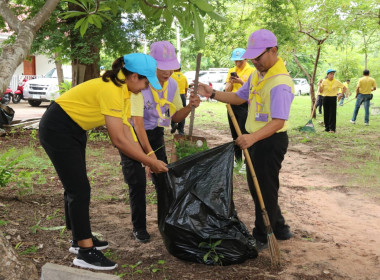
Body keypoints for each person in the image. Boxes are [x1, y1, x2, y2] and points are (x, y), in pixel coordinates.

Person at [39, 53, 168, 270]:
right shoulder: (111, 90)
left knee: (76, 187)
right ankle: (85, 252)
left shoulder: (123, 90)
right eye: (146, 82)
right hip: (57, 129)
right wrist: (149, 162)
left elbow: (127, 132)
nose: (146, 87)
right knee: (79, 190)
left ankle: (79, 239)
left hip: (74, 130)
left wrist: (149, 157)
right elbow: (118, 140)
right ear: (134, 76)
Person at [195, 29, 294, 251]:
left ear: (273, 51)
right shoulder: (258, 75)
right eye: (253, 57)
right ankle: (279, 227)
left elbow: (278, 121)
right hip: (257, 139)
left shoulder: (280, 82)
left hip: (269, 142)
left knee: (262, 188)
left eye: (259, 57)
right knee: (265, 186)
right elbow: (239, 98)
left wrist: (252, 138)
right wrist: (211, 93)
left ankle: (262, 234)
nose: (255, 62)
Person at [119, 41, 200, 243]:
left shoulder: (172, 84)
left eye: (171, 66)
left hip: (155, 133)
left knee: (163, 178)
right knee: (137, 181)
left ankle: (166, 221)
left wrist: (190, 106)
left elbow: (176, 117)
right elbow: (137, 124)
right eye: (162, 67)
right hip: (131, 135)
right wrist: (149, 156)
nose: (167, 72)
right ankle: (139, 227)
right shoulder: (141, 83)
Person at [225, 48, 254, 168]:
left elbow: (253, 89)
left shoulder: (252, 71)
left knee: (245, 133)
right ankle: (238, 162)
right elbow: (227, 90)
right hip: (232, 104)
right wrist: (232, 82)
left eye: (240, 61)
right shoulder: (231, 71)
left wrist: (241, 82)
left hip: (245, 104)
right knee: (235, 134)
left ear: (246, 59)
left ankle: (248, 162)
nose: (237, 63)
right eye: (235, 61)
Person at [170, 66, 189, 135]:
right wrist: (185, 95)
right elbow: (186, 87)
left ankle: (173, 124)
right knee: (182, 112)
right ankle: (181, 130)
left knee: (172, 111)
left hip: (173, 95)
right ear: (180, 69)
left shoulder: (171, 76)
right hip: (182, 95)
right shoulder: (184, 77)